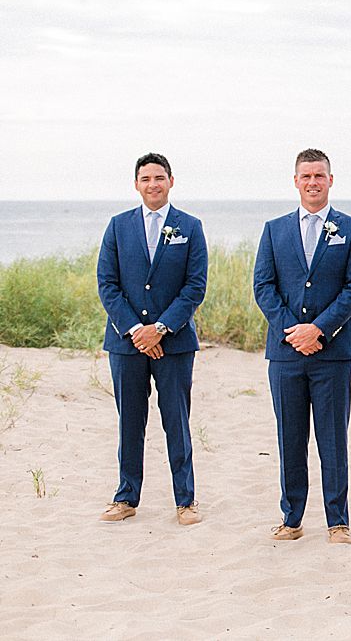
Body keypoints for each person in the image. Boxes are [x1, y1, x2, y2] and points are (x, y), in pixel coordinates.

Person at [253, 148, 351, 544]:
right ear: (296, 181)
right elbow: (263, 287)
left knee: (333, 438)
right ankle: (292, 518)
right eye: (306, 176)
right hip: (285, 354)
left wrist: (319, 329)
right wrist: (293, 330)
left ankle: (338, 521)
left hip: (332, 353)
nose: (313, 182)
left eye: (320, 175)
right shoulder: (274, 229)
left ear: (331, 180)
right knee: (291, 436)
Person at [96, 152, 208, 525]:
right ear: (136, 185)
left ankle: (185, 501)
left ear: (171, 181)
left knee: (176, 420)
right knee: (130, 421)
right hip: (125, 343)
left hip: (174, 343)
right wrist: (136, 331)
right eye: (146, 179)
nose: (153, 184)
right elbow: (107, 284)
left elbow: (195, 286)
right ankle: (126, 497)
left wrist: (160, 328)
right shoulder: (117, 226)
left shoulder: (189, 227)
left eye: (159, 177)